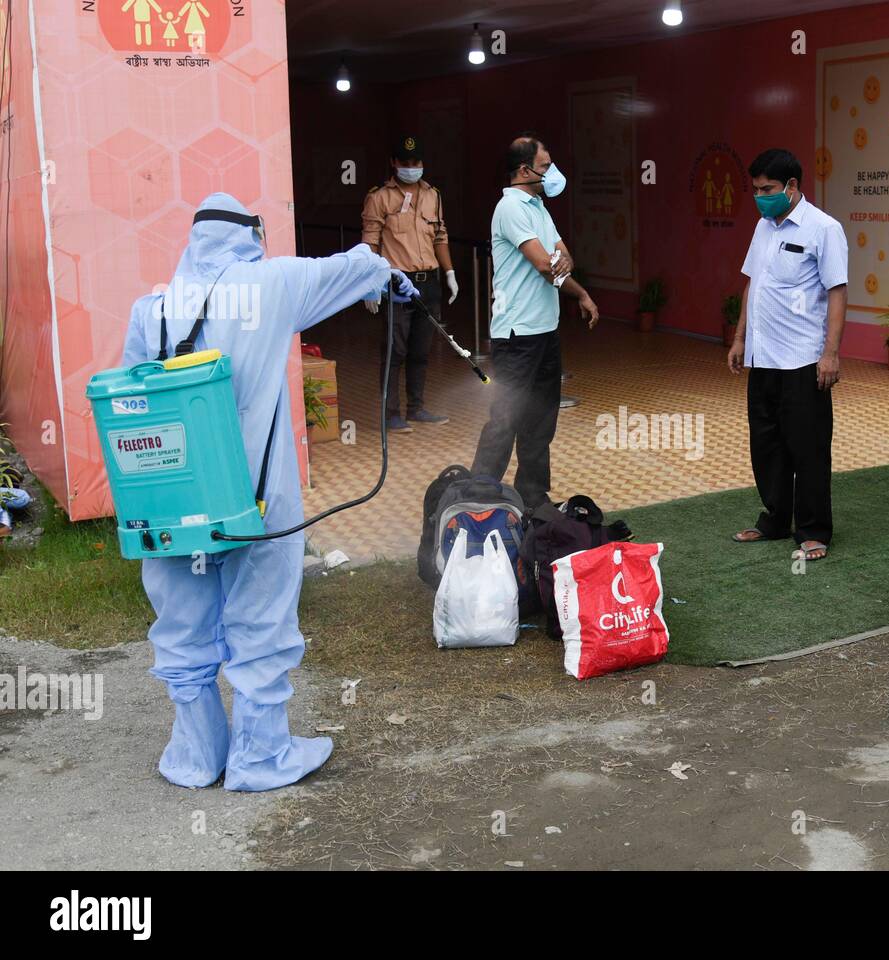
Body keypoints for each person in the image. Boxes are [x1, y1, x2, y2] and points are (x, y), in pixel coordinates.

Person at [121, 192, 407, 790]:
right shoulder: (272, 284)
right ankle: (260, 757)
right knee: (261, 619)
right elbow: (352, 265)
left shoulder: (151, 310)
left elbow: (133, 411)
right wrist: (385, 273)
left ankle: (196, 756)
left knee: (182, 622)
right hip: (256, 503)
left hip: (173, 502)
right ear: (251, 235)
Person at [728, 148, 848, 562]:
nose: (760, 197)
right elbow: (752, 284)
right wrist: (740, 337)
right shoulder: (763, 227)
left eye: (768, 189)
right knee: (766, 444)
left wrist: (830, 354)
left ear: (793, 186)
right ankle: (776, 520)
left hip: (803, 359)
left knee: (808, 447)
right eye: (756, 190)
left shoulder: (824, 229)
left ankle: (813, 529)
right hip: (763, 358)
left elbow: (836, 292)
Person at [471, 133, 599, 508]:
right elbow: (547, 264)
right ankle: (480, 495)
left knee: (541, 419)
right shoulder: (510, 208)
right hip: (516, 334)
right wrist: (580, 292)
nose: (551, 173)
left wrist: (565, 270)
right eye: (545, 167)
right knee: (506, 417)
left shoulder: (539, 207)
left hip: (545, 330)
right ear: (525, 170)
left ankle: (533, 494)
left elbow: (564, 255)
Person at [361, 135, 458, 432]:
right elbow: (370, 242)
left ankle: (416, 407)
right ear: (394, 163)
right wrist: (370, 284)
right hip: (396, 283)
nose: (412, 168)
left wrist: (450, 272)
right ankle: (391, 414)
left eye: (416, 162)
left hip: (428, 281)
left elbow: (440, 236)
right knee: (394, 350)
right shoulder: (379, 198)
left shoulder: (434, 195)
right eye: (405, 162)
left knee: (420, 349)